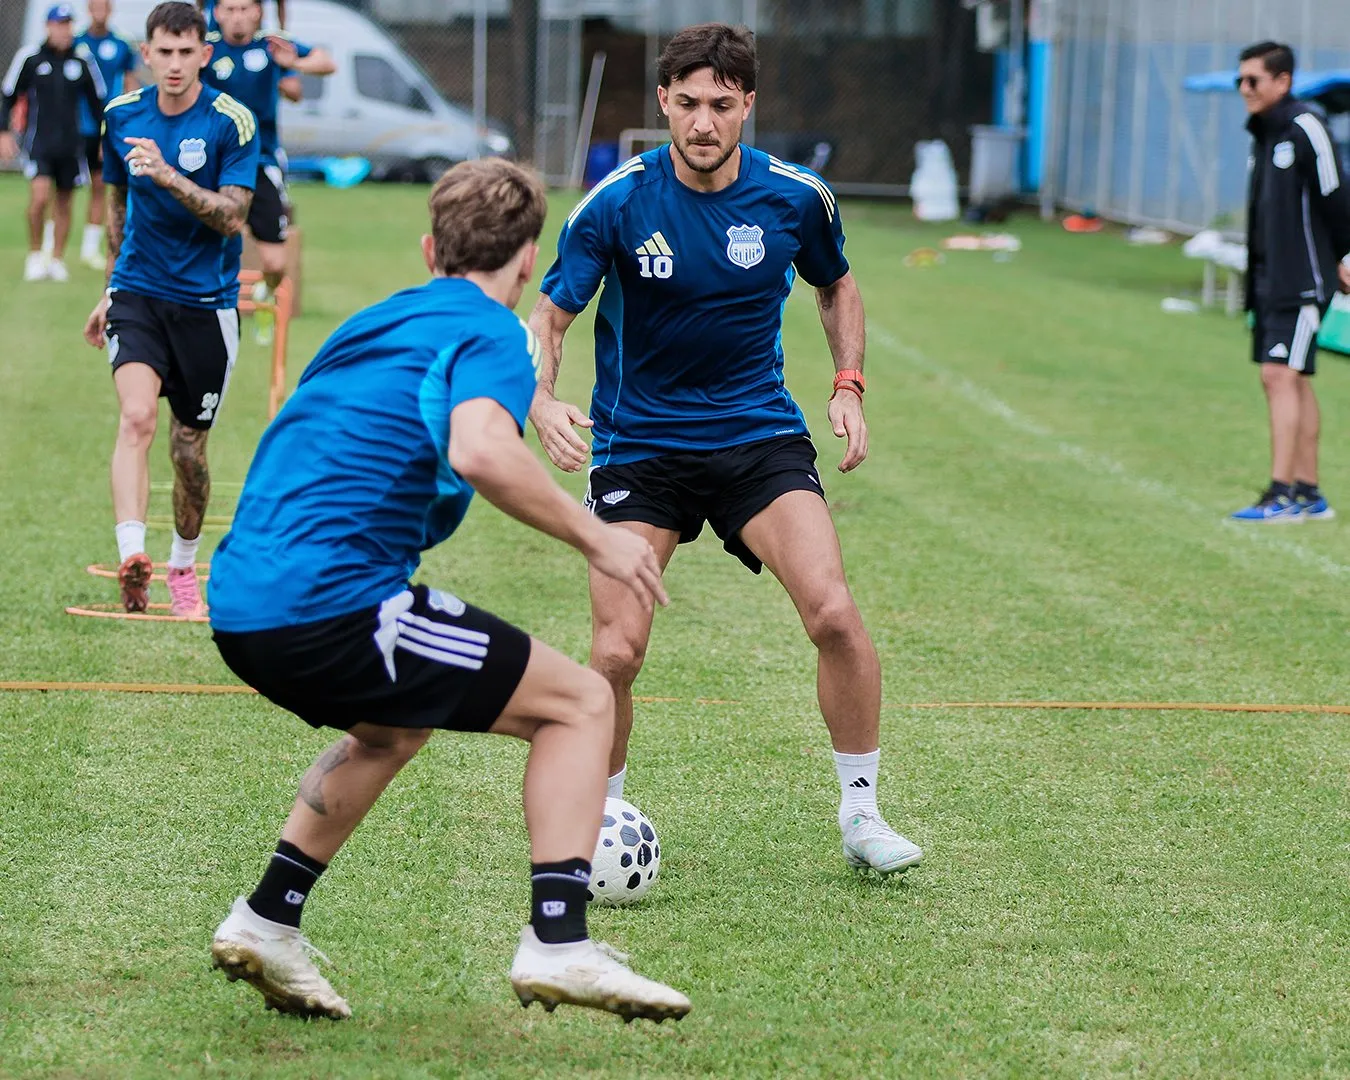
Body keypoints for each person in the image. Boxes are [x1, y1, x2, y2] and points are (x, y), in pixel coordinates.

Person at [205, 158, 692, 1025]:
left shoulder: (375, 319)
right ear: (527, 259)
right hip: (332, 602)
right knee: (580, 701)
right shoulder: (495, 331)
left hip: (241, 598)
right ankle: (559, 942)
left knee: (394, 728)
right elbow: (479, 448)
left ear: (429, 247)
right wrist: (600, 539)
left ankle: (267, 919)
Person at [528, 23, 922, 876]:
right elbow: (550, 316)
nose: (702, 122)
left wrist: (848, 385)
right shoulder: (617, 202)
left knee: (835, 614)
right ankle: (604, 817)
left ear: (748, 105)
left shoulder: (795, 197)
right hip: (640, 449)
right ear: (664, 103)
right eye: (687, 104)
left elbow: (837, 281)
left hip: (757, 439)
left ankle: (863, 815)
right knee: (616, 651)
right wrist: (540, 398)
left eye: (720, 105)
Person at [81, 1, 259, 618]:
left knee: (188, 451)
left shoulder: (231, 121)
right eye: (165, 51)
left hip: (207, 306)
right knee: (135, 419)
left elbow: (234, 215)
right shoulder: (121, 116)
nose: (176, 64)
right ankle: (134, 557)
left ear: (204, 54)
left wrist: (166, 176)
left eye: (188, 52)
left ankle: (184, 566)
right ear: (148, 53)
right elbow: (116, 209)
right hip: (138, 295)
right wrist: (109, 289)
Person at [1232, 41, 1350, 523]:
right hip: (1270, 278)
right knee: (1290, 380)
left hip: (1303, 279)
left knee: (1279, 375)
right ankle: (1308, 492)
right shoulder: (1262, 133)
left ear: (1283, 81)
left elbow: (1336, 195)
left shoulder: (1306, 127)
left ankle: (1282, 495)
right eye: (1240, 80)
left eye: (1253, 80)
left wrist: (1346, 254)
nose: (1244, 89)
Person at [202, 0, 334, 343]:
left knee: (276, 263)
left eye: (244, 8)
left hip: (261, 163)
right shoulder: (206, 47)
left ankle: (263, 294)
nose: (237, 16)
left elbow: (326, 62)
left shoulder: (272, 44)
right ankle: (205, 310)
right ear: (217, 13)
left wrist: (295, 64)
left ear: (258, 12)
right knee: (204, 245)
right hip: (214, 163)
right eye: (229, 9)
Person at [0, 4, 106, 282]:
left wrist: (103, 139)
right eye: (59, 24)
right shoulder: (31, 58)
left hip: (72, 144)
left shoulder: (82, 59)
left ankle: (56, 258)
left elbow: (98, 102)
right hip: (40, 143)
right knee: (39, 199)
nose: (64, 30)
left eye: (68, 24)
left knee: (65, 202)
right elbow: (8, 95)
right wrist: (5, 133)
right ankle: (35, 255)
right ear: (48, 27)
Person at [70, 0, 139, 270]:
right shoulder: (75, 42)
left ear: (110, 10)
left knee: (101, 185)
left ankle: (90, 247)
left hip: (105, 126)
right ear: (88, 10)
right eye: (94, 7)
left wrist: (127, 118)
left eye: (103, 7)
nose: (99, 12)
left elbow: (130, 80)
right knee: (61, 187)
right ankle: (52, 248)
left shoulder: (122, 43)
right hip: (75, 126)